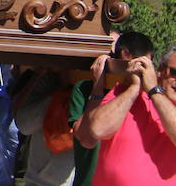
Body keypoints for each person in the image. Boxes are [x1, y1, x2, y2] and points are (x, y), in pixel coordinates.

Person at [73, 32, 176, 186]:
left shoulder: (154, 93)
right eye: (175, 73)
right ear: (160, 69)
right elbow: (97, 130)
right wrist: (134, 88)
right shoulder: (125, 92)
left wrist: (154, 91)